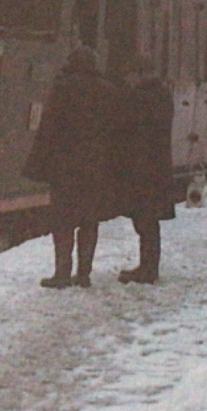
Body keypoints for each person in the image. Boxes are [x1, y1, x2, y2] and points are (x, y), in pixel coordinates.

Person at [23, 45, 122, 288]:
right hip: (96, 165)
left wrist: (38, 164)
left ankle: (62, 272)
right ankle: (84, 273)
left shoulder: (63, 88)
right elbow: (116, 130)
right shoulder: (108, 91)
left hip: (65, 165)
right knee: (89, 220)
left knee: (63, 221)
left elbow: (49, 127)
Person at [116, 54, 175, 284]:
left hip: (143, 167)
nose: (127, 80)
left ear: (139, 73)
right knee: (148, 219)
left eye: (129, 75)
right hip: (156, 165)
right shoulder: (161, 95)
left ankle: (148, 269)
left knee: (145, 219)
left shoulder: (141, 97)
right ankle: (149, 266)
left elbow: (131, 131)